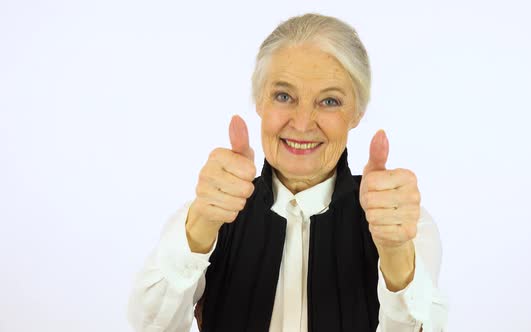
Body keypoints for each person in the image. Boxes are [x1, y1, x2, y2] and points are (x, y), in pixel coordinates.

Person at [128, 13, 449, 332]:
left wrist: (394, 252)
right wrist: (202, 225)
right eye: (284, 96)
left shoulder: (405, 223)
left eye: (330, 101)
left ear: (357, 112)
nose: (302, 122)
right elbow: (150, 325)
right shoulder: (207, 214)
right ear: (259, 101)